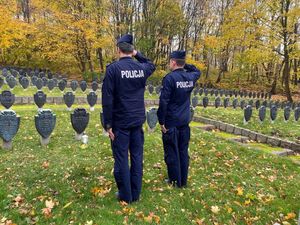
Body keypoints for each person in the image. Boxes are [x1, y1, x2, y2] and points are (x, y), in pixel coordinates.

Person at [102, 34, 156, 203]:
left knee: (121, 159)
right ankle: (135, 192)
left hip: (120, 123)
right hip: (137, 121)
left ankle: (126, 195)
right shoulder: (141, 69)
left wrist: (108, 124)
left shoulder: (112, 69)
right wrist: (137, 54)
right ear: (131, 50)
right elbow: (151, 65)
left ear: (118, 49)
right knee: (137, 157)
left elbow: (107, 99)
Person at [157, 50, 201, 188]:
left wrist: (161, 121)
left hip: (171, 122)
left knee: (171, 152)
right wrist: (184, 65)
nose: (169, 63)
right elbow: (197, 70)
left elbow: (164, 101)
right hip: (184, 121)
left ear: (173, 62)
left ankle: (175, 181)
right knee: (183, 151)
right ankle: (183, 180)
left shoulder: (170, 78)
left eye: (171, 61)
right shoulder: (190, 77)